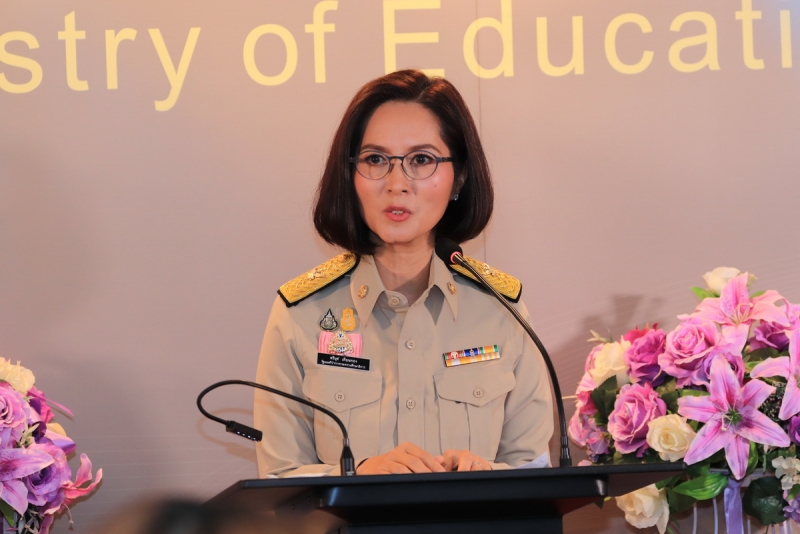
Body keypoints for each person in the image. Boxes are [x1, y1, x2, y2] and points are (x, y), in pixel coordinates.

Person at [254, 69, 553, 477]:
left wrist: (484, 476)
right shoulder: (300, 313)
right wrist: (359, 477)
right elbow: (279, 482)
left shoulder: (502, 309)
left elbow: (534, 474)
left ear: (459, 178)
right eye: (375, 160)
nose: (397, 183)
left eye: (421, 160)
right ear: (350, 175)